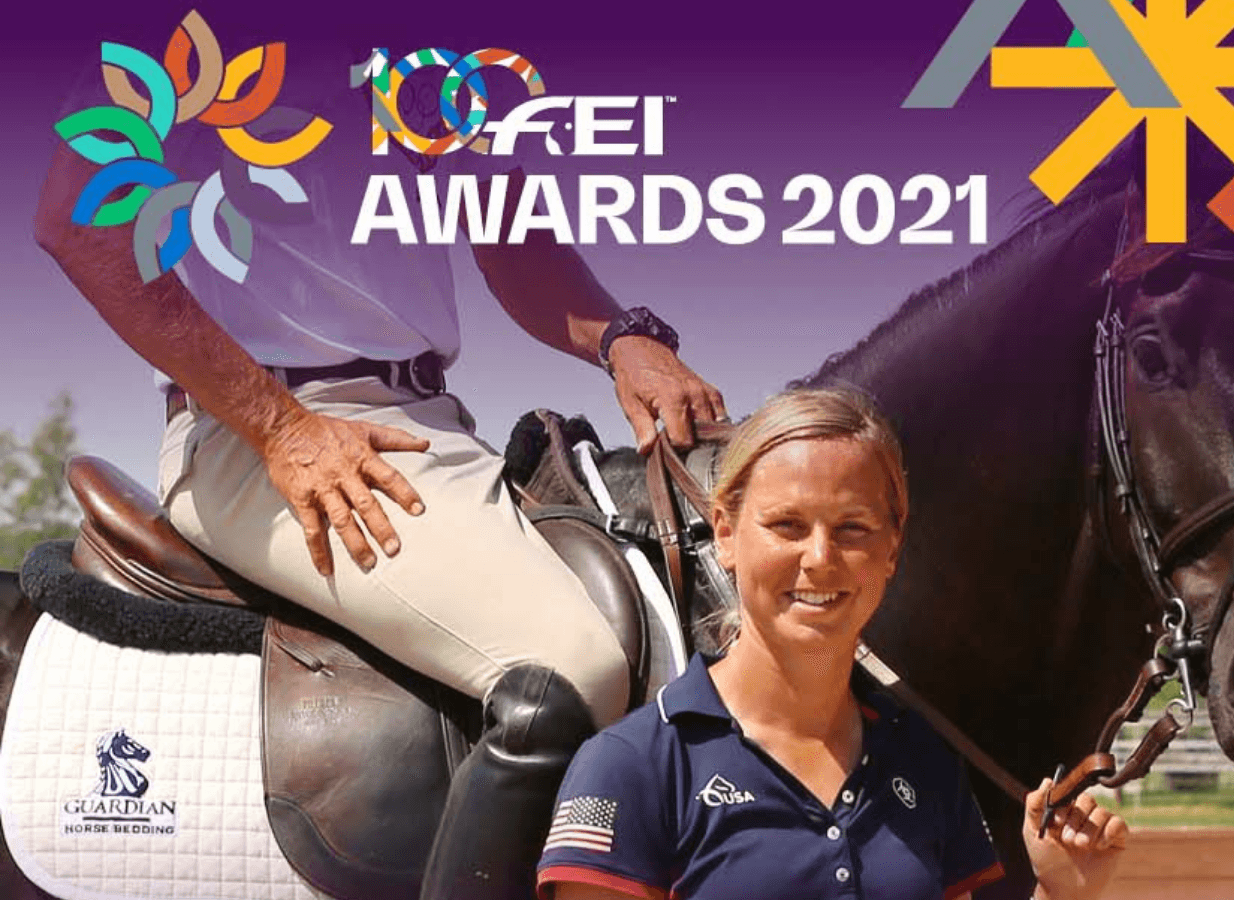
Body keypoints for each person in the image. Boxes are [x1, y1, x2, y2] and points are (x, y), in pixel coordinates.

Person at [33, 44, 725, 900]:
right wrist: (279, 429)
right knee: (568, 671)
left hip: (428, 427)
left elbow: (509, 234)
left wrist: (625, 339)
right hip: (257, 433)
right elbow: (76, 214)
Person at [536, 388, 1128, 900]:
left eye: (853, 528)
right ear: (726, 534)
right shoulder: (633, 766)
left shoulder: (924, 760)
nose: (820, 559)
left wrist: (1061, 889)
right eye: (787, 525)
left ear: (892, 548)